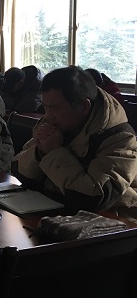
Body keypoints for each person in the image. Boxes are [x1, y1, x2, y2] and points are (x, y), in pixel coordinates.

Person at [12, 66, 137, 218]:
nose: (48, 116)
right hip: (59, 212)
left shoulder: (120, 138)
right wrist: (40, 152)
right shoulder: (56, 125)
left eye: (55, 108)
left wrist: (54, 153)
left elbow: (94, 198)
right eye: (45, 107)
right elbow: (17, 169)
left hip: (113, 222)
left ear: (84, 106)